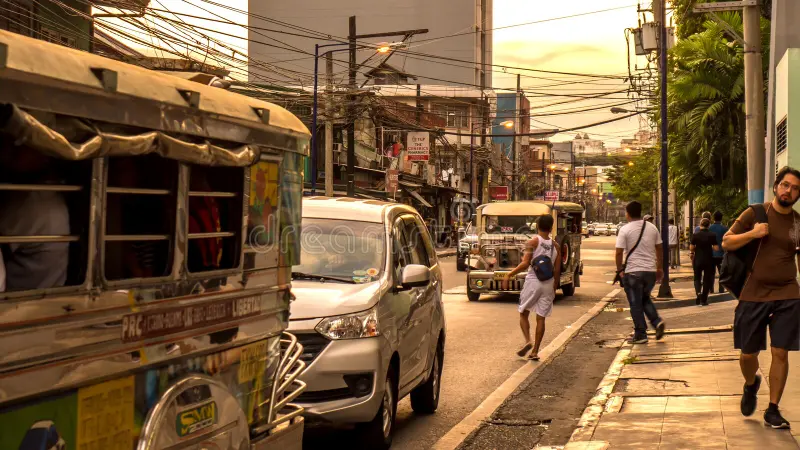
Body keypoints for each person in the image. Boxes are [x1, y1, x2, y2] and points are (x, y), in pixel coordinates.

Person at [722, 166, 800, 430]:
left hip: (788, 293)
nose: (789, 191)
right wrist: (753, 234)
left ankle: (773, 409)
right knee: (748, 354)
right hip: (753, 293)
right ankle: (750, 383)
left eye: (795, 188)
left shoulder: (798, 223)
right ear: (776, 186)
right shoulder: (755, 213)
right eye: (786, 185)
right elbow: (727, 242)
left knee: (781, 351)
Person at [502, 215, 561, 361]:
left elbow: (525, 263)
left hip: (533, 282)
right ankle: (535, 352)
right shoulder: (556, 246)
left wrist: (509, 275)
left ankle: (528, 340)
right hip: (548, 283)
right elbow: (557, 270)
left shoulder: (533, 242)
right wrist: (554, 288)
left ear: (537, 226)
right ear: (551, 227)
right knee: (541, 318)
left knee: (523, 312)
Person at [616, 201, 666, 344]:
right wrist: (659, 268)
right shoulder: (652, 227)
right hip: (650, 272)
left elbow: (619, 252)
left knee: (635, 303)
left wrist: (619, 270)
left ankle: (640, 334)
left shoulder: (625, 229)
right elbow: (659, 248)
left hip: (633, 272)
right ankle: (656, 322)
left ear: (628, 213)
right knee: (644, 299)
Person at [690, 218, 719, 306]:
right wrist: (711, 246)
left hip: (698, 259)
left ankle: (698, 293)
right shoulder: (712, 235)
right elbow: (716, 248)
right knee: (707, 279)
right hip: (708, 260)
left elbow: (692, 247)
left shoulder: (695, 235)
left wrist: (693, 252)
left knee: (697, 277)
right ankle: (704, 299)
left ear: (700, 225)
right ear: (709, 225)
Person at [708, 211, 729, 293]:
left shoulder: (709, 228)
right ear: (721, 218)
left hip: (711, 254)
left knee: (711, 273)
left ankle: (711, 289)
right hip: (721, 254)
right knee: (721, 272)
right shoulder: (725, 228)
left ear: (713, 218)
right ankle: (721, 289)